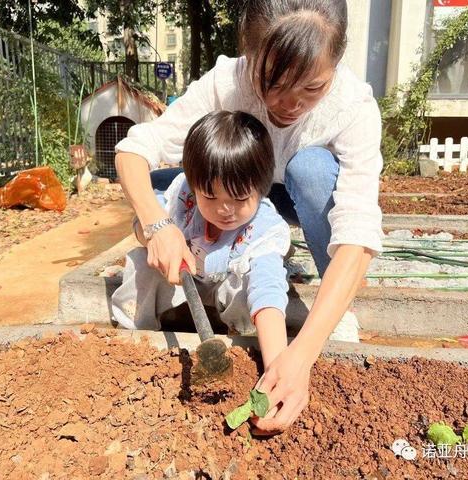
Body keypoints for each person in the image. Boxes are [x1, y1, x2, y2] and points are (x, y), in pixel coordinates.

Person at [114, 0, 383, 434]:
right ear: (249, 55)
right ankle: (196, 242)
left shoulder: (352, 107)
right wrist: (157, 225)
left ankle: (333, 307)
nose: (289, 104)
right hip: (236, 181)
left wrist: (300, 356)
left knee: (311, 170)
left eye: (311, 88)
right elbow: (134, 150)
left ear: (335, 64)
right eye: (273, 82)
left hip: (299, 194)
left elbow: (358, 233)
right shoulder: (227, 82)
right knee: (171, 186)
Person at [112, 111, 290, 369]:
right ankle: (133, 336)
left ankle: (244, 342)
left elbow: (268, 290)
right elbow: (143, 225)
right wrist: (153, 237)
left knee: (248, 286)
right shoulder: (182, 195)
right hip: (182, 279)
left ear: (261, 188)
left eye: (240, 199)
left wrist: (277, 366)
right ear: (194, 186)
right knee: (142, 262)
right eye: (210, 196)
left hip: (225, 285)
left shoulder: (264, 228)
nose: (225, 210)